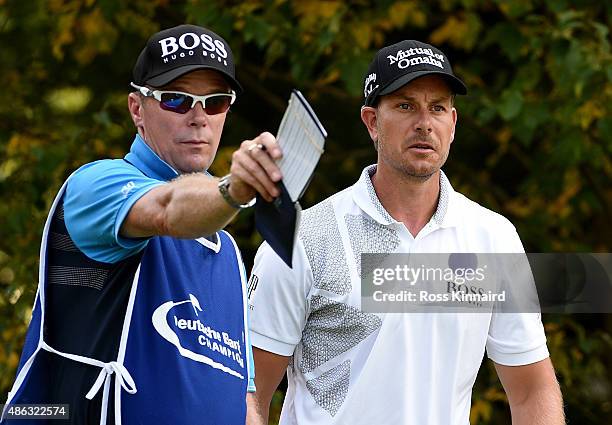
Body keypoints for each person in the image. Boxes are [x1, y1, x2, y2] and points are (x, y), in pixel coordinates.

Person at [245, 40, 565, 424]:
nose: (424, 123)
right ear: (372, 122)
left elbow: (532, 389)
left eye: (438, 108)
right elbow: (250, 396)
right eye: (405, 105)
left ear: (453, 124)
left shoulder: (492, 238)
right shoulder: (303, 240)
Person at [2, 24, 282, 425]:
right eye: (176, 100)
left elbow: (243, 397)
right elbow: (167, 208)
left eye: (215, 102)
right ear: (137, 109)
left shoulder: (227, 252)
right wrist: (235, 189)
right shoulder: (96, 185)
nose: (198, 118)